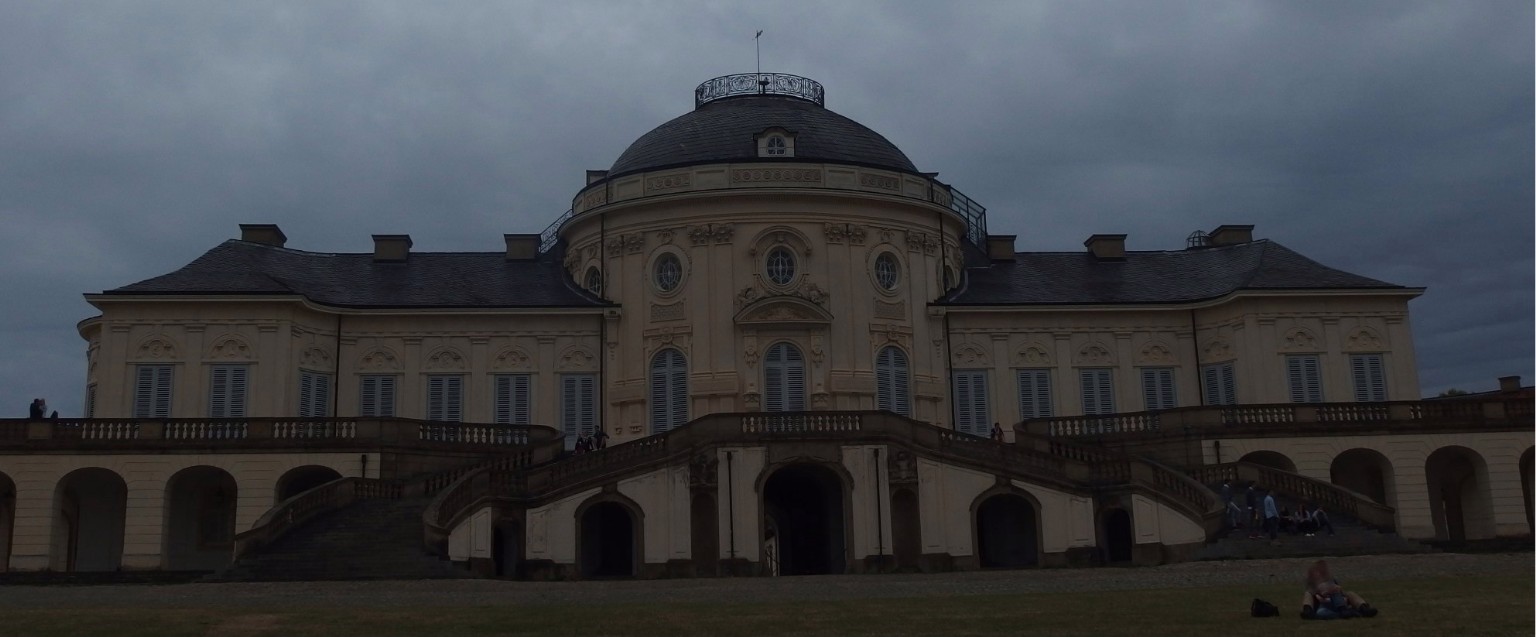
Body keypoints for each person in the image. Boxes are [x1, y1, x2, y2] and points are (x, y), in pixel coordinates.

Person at [1301, 560, 1378, 620]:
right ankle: (1308, 611)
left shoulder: (1332, 581)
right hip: (1323, 606)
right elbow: (1315, 594)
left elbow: (1340, 592)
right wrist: (1323, 592)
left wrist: (1336, 590)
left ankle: (1363, 608)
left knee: (1350, 593)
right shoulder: (1313, 585)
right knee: (1308, 594)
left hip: (1338, 604)